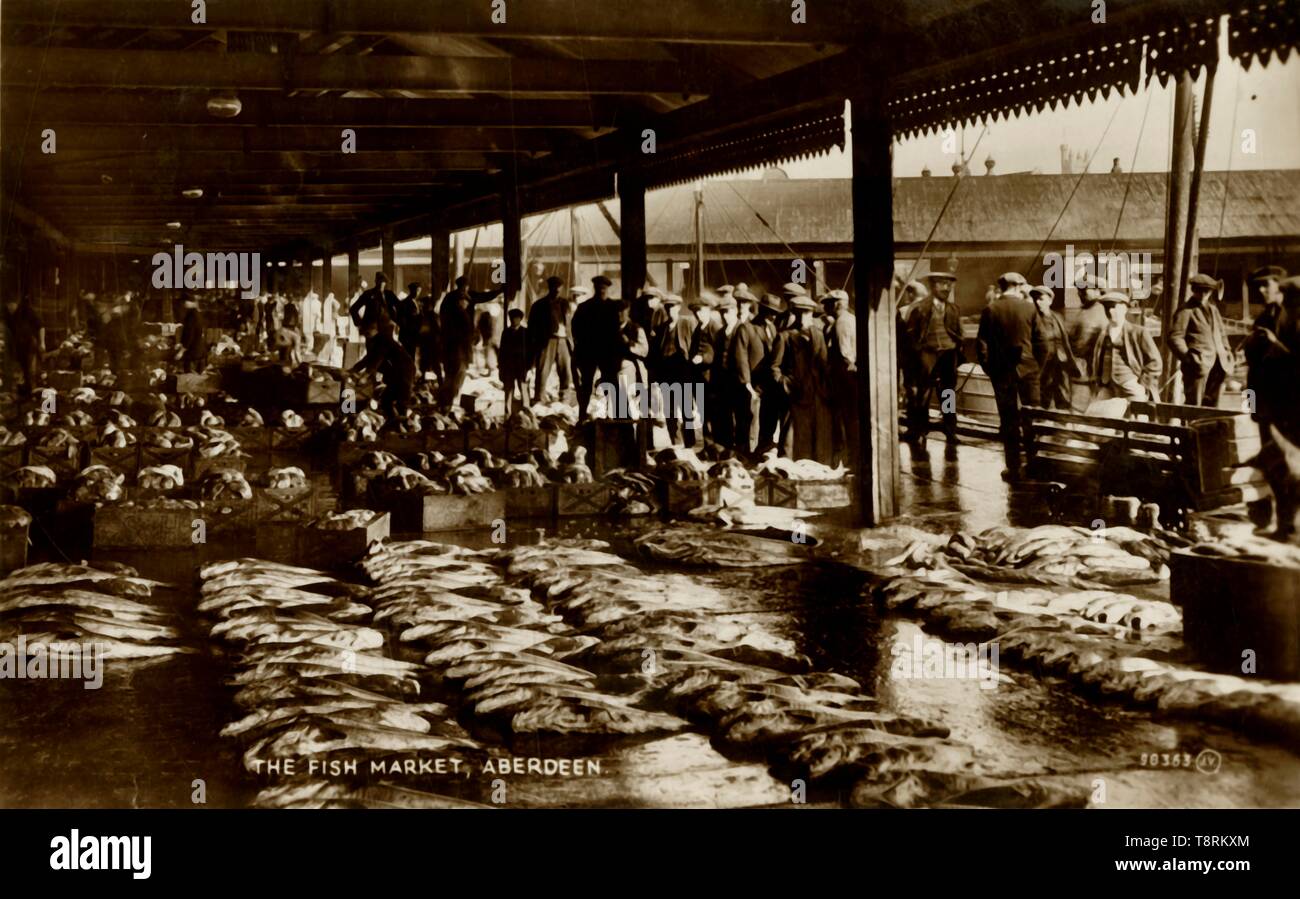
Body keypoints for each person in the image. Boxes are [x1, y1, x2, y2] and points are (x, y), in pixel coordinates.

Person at [977, 273, 1040, 481]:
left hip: (1001, 372)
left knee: (1008, 419)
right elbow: (1042, 342)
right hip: (1028, 370)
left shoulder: (990, 309)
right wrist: (1037, 364)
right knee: (1032, 417)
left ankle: (1013, 466)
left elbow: (982, 343)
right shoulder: (1030, 308)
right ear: (1016, 286)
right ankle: (1033, 462)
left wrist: (989, 367)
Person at [770, 293, 832, 463]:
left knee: (816, 437)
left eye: (807, 313)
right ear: (794, 314)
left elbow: (824, 364)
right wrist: (785, 384)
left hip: (815, 394)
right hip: (794, 394)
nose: (804, 317)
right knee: (791, 439)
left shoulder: (818, 335)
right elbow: (774, 367)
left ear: (812, 314)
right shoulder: (785, 336)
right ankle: (788, 469)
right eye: (800, 313)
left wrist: (824, 389)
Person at [904, 271, 962, 443]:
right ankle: (919, 429)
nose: (947, 288)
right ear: (932, 286)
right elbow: (911, 336)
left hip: (948, 355)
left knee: (948, 394)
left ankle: (950, 430)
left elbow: (958, 332)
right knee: (923, 394)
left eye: (949, 285)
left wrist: (957, 348)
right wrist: (919, 352)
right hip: (926, 355)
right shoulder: (920, 308)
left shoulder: (953, 309)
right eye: (942, 284)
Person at [1170, 273, 1234, 408]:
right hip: (1198, 367)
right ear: (1194, 290)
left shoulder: (1213, 310)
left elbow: (1222, 334)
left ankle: (1208, 429)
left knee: (1212, 405)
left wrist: (1227, 352)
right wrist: (1189, 358)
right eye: (1200, 290)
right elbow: (1175, 337)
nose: (1204, 294)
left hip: (1219, 365)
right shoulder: (1185, 311)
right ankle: (1189, 428)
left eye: (1207, 290)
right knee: (1194, 405)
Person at [438, 276, 503, 409]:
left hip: (456, 344)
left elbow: (483, 296)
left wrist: (498, 291)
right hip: (456, 345)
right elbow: (449, 322)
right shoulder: (456, 305)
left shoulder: (458, 299)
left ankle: (446, 400)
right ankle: (449, 400)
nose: (467, 303)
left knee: (454, 372)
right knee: (457, 371)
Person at [1088, 292, 1162, 405]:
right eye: (1107, 307)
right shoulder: (1102, 333)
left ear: (1125, 308)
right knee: (1098, 415)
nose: (1110, 311)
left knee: (1139, 415)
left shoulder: (1138, 332)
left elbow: (1155, 362)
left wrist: (1142, 383)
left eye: (1114, 307)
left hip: (1129, 384)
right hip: (1106, 385)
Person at [571, 275, 619, 422]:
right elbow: (575, 329)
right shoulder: (584, 307)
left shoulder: (614, 307)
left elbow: (618, 328)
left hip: (607, 351)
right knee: (586, 384)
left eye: (603, 289)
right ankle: (582, 414)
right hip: (588, 352)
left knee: (610, 382)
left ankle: (612, 414)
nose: (601, 292)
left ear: (607, 289)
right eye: (599, 289)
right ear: (595, 289)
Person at [353, 319, 416, 428]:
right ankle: (394, 423)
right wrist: (354, 369)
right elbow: (369, 358)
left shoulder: (383, 340)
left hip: (404, 372)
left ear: (374, 330)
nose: (366, 336)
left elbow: (376, 360)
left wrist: (365, 376)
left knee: (401, 402)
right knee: (386, 400)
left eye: (367, 333)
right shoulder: (376, 341)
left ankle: (403, 431)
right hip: (397, 374)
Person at [1243, 265, 1288, 411]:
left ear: (1279, 285)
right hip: (1261, 391)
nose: (1261, 290)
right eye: (1259, 286)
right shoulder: (1263, 318)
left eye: (1266, 284)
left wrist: (1274, 342)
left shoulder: (1292, 317)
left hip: (1284, 390)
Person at [823, 289, 858, 468]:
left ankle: (846, 455)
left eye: (828, 304)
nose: (825, 307)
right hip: (852, 375)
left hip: (843, 376)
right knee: (851, 416)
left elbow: (845, 353)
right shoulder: (851, 318)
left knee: (842, 416)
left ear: (837, 304)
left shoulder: (841, 322)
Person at [527, 276, 574, 403]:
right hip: (547, 340)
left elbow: (571, 323)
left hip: (564, 340)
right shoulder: (539, 305)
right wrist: (535, 343)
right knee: (543, 370)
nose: (557, 290)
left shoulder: (566, 304)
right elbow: (532, 326)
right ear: (550, 288)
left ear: (562, 288)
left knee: (566, 371)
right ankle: (539, 396)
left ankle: (564, 397)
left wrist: (572, 340)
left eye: (559, 287)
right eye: (554, 287)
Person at [1029, 285, 1075, 410]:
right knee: (1043, 394)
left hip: (1060, 363)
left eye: (1041, 299)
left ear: (1050, 300)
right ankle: (1042, 422)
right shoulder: (1033, 319)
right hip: (1042, 363)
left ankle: (1063, 422)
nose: (1038, 302)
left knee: (1063, 394)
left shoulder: (1057, 317)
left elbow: (1065, 340)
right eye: (1035, 299)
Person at [3, 294, 44, 399]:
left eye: (12, 304)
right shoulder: (7, 315)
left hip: (30, 344)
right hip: (18, 347)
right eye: (8, 305)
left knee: (31, 371)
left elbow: (40, 326)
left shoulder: (27, 311)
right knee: (23, 371)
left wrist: (42, 342)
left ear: (17, 304)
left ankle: (37, 396)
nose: (10, 307)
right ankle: (27, 394)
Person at [350, 272, 398, 353]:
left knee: (384, 357)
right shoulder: (368, 294)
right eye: (380, 281)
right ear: (375, 281)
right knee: (372, 356)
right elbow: (353, 309)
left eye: (383, 282)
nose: (381, 284)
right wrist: (360, 324)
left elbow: (397, 309)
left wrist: (394, 322)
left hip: (386, 332)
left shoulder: (389, 295)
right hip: (372, 331)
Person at [499, 307, 529, 417]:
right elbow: (502, 351)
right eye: (511, 318)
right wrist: (501, 368)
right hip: (509, 366)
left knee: (523, 389)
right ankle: (507, 413)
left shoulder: (525, 332)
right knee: (508, 390)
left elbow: (529, 351)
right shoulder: (506, 332)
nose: (513, 320)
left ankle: (526, 412)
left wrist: (529, 367)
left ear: (520, 319)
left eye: (516, 318)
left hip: (521, 366)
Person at [175, 292, 207, 374]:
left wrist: (181, 351)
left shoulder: (192, 316)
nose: (182, 304)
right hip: (199, 350)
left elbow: (190, 335)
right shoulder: (196, 313)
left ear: (189, 302)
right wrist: (181, 344)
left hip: (193, 352)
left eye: (184, 301)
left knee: (189, 378)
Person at [417, 286, 442, 383]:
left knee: (434, 366)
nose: (422, 307)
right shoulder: (425, 316)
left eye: (424, 305)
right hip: (427, 346)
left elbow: (437, 332)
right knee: (425, 365)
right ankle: (425, 381)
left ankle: (439, 382)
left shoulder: (432, 317)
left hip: (431, 346)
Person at [395, 283, 422, 362]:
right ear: (412, 291)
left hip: (413, 334)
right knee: (407, 356)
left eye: (419, 291)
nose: (418, 293)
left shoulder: (416, 302)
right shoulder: (405, 303)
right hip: (407, 334)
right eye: (417, 291)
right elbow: (401, 319)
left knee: (412, 355)